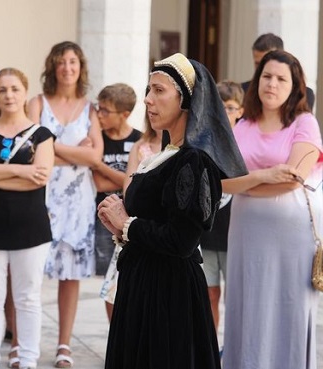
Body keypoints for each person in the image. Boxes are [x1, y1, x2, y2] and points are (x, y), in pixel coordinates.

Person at [97, 52, 248, 369]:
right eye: (148, 90)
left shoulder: (193, 160)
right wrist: (119, 226)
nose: (148, 100)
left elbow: (181, 239)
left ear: (186, 99)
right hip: (143, 282)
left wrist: (127, 225)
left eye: (159, 90)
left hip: (167, 293)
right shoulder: (164, 154)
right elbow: (151, 222)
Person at [223, 50, 323, 369]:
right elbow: (222, 181)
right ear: (257, 81)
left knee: (288, 308)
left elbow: (294, 179)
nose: (272, 84)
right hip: (246, 233)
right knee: (247, 306)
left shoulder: (305, 122)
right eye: (266, 76)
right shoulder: (243, 125)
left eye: (281, 79)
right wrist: (265, 176)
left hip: (292, 238)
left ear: (295, 86)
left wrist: (246, 183)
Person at [0, 67, 54, 369]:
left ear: (25, 92)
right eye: (2, 90)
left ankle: (28, 360)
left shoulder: (41, 135)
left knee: (27, 298)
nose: (9, 95)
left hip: (31, 227)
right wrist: (20, 170)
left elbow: (40, 179)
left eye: (15, 89)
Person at [27, 41, 102, 368]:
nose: (67, 67)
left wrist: (52, 145)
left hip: (78, 199)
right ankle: (23, 341)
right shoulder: (36, 104)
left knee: (69, 275)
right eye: (60, 62)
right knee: (29, 273)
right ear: (52, 67)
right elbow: (29, 151)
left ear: (80, 67)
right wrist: (75, 153)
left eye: (72, 62)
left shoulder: (91, 109)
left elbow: (94, 157)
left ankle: (63, 345)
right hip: (38, 193)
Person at [91, 83, 141, 321]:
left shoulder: (139, 141)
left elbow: (131, 183)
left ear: (125, 114)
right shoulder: (97, 140)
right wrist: (122, 178)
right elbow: (100, 185)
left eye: (105, 111)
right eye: (98, 108)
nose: (99, 115)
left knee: (131, 278)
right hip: (103, 218)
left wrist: (99, 165)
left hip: (130, 218)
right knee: (109, 282)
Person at [199, 80, 244, 332]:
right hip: (208, 231)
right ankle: (211, 349)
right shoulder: (204, 141)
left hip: (234, 232)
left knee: (234, 297)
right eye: (220, 107)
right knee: (209, 294)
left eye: (230, 107)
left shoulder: (247, 141)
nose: (225, 113)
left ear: (240, 111)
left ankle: (234, 350)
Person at [241, 33, 315, 110]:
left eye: (266, 62)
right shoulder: (242, 91)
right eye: (258, 64)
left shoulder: (303, 95)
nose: (262, 67)